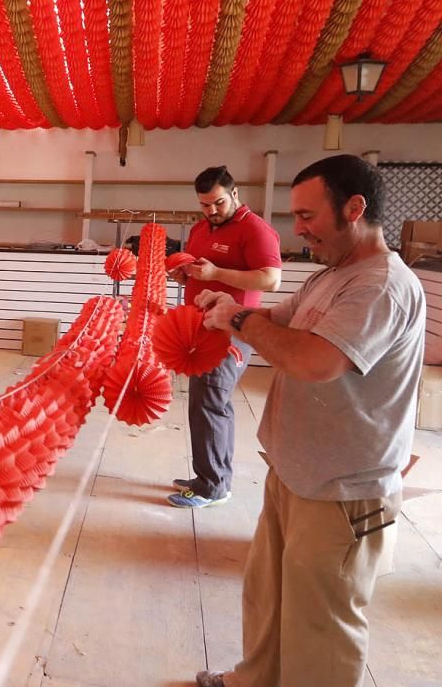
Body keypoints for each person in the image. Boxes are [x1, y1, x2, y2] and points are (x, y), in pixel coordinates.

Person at [194, 154, 425, 687]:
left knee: (321, 622)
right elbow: (279, 317)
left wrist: (239, 319)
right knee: (270, 595)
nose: (297, 228)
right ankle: (252, 679)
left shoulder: (381, 284)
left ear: (354, 208)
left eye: (307, 215)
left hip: (344, 487)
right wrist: (225, 306)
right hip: (297, 471)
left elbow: (314, 361)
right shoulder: (334, 276)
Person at [166, 166, 281, 508]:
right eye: (204, 205)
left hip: (232, 332)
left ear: (234, 193)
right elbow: (202, 276)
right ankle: (206, 474)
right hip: (201, 329)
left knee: (212, 402)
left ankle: (213, 486)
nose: (211, 211)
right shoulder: (201, 229)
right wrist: (184, 277)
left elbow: (270, 279)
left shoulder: (256, 230)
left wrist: (216, 273)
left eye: (217, 203)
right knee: (203, 403)